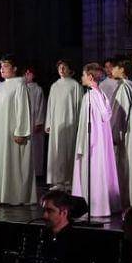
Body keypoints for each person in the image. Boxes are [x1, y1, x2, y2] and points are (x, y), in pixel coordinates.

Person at [0, 55, 36, 206]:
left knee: (12, 164)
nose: (2, 69)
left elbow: (22, 109)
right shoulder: (0, 87)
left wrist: (21, 131)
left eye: (5, 66)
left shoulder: (19, 85)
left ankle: (13, 196)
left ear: (14, 68)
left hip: (11, 133)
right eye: (1, 66)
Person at [72, 63, 121, 217]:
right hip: (100, 144)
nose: (81, 77)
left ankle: (93, 206)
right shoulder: (101, 94)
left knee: (91, 173)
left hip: (91, 144)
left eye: (83, 75)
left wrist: (82, 146)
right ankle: (102, 206)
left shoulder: (89, 97)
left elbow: (87, 125)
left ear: (90, 77)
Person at [44, 60, 83, 190]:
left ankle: (69, 180)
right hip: (57, 124)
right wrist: (49, 122)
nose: (61, 69)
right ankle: (58, 180)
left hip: (70, 122)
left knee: (68, 150)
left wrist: (79, 123)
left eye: (64, 67)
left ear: (69, 69)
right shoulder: (55, 86)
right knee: (56, 151)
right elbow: (50, 105)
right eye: (59, 67)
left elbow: (79, 105)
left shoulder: (75, 85)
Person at [110, 59, 132, 208]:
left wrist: (114, 134)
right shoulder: (130, 85)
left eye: (114, 67)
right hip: (129, 131)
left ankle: (126, 199)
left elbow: (119, 114)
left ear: (122, 69)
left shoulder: (124, 87)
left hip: (123, 133)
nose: (112, 70)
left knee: (124, 166)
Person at [24, 68, 47, 179]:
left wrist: (39, 122)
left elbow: (41, 106)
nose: (27, 75)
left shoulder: (38, 89)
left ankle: (36, 172)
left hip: (34, 122)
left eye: (29, 73)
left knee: (35, 147)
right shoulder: (22, 88)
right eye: (25, 73)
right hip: (24, 122)